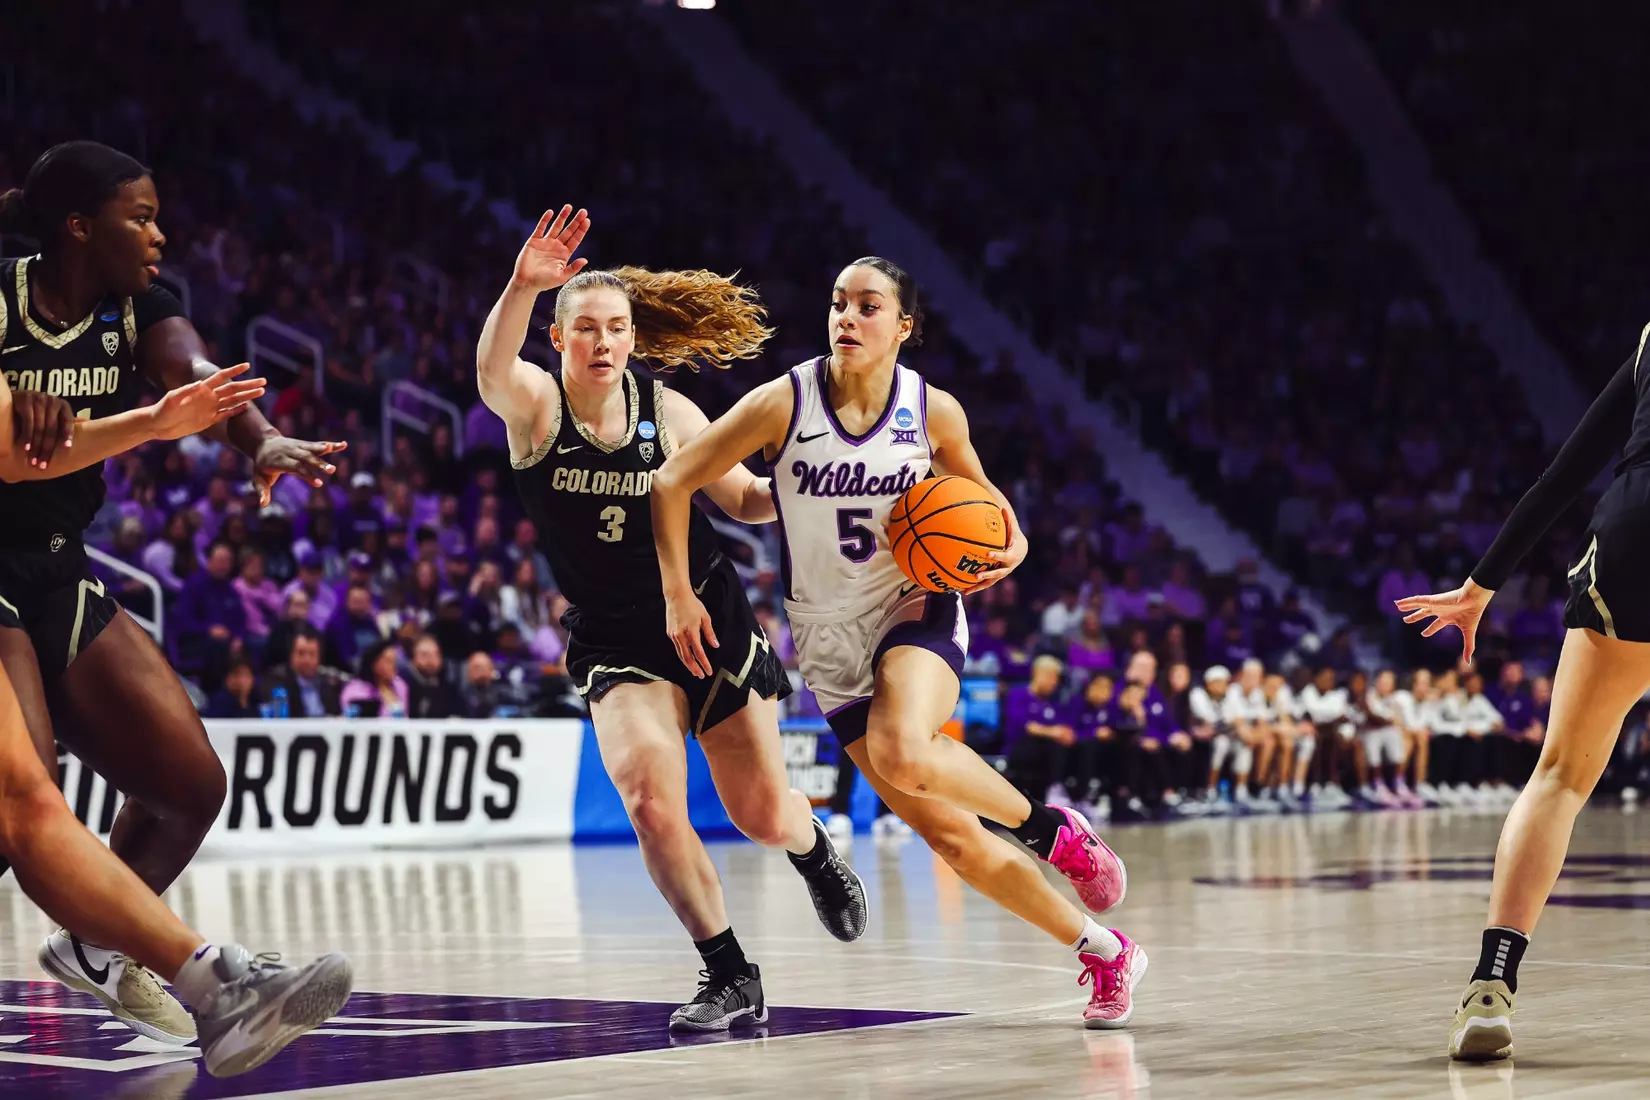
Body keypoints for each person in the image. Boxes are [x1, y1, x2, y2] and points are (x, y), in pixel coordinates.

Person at [653, 256, 1141, 1028]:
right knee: (950, 838)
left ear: (904, 326)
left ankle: (1054, 831)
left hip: (915, 607)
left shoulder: (933, 411)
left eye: (868, 306)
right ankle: (1105, 952)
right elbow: (674, 480)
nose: (847, 317)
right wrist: (679, 592)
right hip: (826, 640)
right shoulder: (784, 402)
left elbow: (981, 500)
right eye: (838, 302)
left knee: (906, 749)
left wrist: (1008, 543)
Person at [476, 205, 867, 1031]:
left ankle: (812, 846)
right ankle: (729, 972)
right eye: (586, 328)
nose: (604, 342)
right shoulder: (537, 410)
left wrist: (817, 478)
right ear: (560, 339)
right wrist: (521, 284)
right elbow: (488, 367)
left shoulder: (675, 414)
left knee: (759, 815)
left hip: (707, 622)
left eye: (616, 328)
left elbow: (749, 500)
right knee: (652, 802)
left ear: (631, 338)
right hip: (616, 637)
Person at [1396, 321, 1650, 1061]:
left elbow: (1569, 471)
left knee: (1562, 777)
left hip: (1637, 532)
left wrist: (1482, 584)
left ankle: (1490, 988)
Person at [263, 625, 345, 718]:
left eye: (312, 654)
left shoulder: (328, 683)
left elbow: (336, 715)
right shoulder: (278, 680)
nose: (306, 660)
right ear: (291, 655)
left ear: (319, 658)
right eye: (301, 653)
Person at [340, 639, 408, 718]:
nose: (394, 666)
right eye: (389, 661)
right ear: (374, 663)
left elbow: (405, 718)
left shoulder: (400, 685)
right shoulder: (355, 688)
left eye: (395, 661)